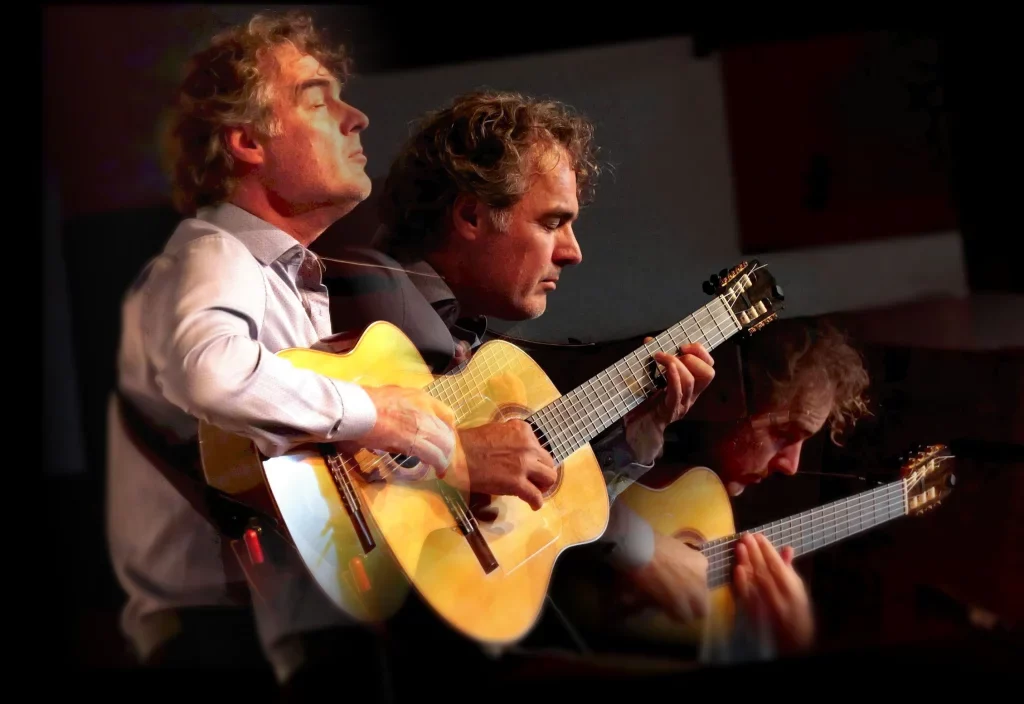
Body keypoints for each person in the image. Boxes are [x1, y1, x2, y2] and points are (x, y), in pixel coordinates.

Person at [289, 89, 716, 689]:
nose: (573, 252)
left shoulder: (463, 341)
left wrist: (638, 429)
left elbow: (541, 515)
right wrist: (458, 456)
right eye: (553, 222)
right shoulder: (370, 304)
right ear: (470, 216)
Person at [104, 10, 460, 680]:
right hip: (221, 645)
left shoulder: (287, 277)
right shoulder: (213, 250)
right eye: (320, 102)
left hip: (295, 625)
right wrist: (375, 412)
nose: (358, 118)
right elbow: (212, 371)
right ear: (247, 142)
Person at [573, 316, 872, 663]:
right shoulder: (626, 434)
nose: (791, 466)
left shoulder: (715, 517)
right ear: (727, 400)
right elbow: (556, 481)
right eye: (784, 433)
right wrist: (642, 548)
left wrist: (791, 642)